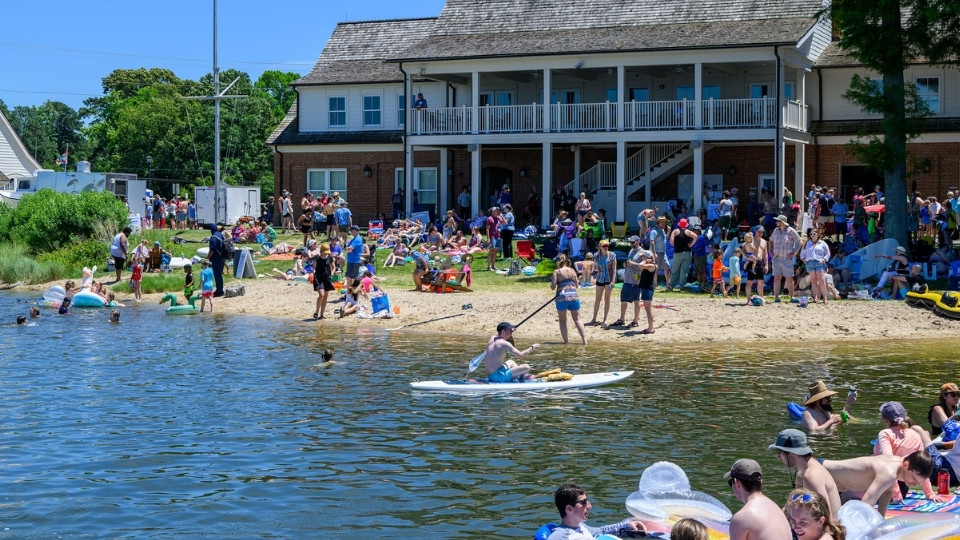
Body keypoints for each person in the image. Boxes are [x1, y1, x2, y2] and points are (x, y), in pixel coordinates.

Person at [822, 451, 933, 517]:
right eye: (913, 477)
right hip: (821, 473)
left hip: (830, 480)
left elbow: (887, 495)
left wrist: (880, 523)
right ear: (906, 464)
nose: (914, 483)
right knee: (833, 523)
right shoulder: (889, 473)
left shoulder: (896, 466)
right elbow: (866, 503)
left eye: (918, 481)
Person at [873, 401, 943, 504]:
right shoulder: (914, 434)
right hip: (903, 489)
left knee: (848, 490)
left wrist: (895, 495)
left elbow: (888, 465)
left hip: (886, 488)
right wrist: (930, 494)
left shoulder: (885, 434)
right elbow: (921, 465)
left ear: (885, 420)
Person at [769, 428, 842, 518]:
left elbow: (826, 517)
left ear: (791, 453)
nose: (778, 457)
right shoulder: (804, 472)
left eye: (780, 452)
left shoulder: (811, 476)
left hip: (831, 528)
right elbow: (790, 507)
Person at [546, 483, 646, 540]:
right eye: (583, 502)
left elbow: (600, 531)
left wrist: (626, 525)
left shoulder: (581, 527)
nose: (589, 506)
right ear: (569, 509)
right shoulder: (561, 536)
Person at [723, 459, 792, 540]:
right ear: (761, 481)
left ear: (737, 482)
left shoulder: (741, 518)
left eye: (731, 483)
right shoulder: (775, 508)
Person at [551, 254, 587, 345]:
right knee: (577, 319)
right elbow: (577, 285)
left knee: (563, 320)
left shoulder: (557, 272)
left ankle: (566, 342)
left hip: (562, 297)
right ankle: (584, 341)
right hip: (574, 296)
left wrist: (552, 284)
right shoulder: (572, 270)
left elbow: (553, 286)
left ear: (558, 262)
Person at [611, 236, 644, 328]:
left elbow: (644, 266)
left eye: (633, 242)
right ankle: (622, 319)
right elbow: (629, 262)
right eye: (630, 242)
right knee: (623, 299)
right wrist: (626, 264)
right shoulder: (631, 251)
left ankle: (635, 320)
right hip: (627, 279)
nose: (631, 244)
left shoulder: (642, 252)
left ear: (638, 242)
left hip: (636, 280)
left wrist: (634, 264)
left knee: (636, 300)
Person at [770, 215, 801, 301]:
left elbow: (800, 241)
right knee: (777, 277)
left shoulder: (791, 231)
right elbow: (771, 240)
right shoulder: (776, 231)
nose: (776, 222)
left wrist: (795, 253)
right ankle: (776, 297)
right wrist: (771, 251)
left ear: (782, 222)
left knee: (789, 278)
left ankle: (791, 297)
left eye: (778, 221)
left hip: (787, 258)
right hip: (776, 257)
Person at [588, 240, 617, 327]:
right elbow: (595, 268)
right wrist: (592, 277)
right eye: (604, 246)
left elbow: (614, 269)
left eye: (607, 246)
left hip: (609, 278)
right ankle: (594, 319)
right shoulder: (596, 256)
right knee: (597, 299)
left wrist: (614, 280)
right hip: (600, 278)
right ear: (600, 247)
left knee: (607, 299)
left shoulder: (612, 255)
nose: (606, 247)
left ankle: (605, 319)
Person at [801, 230, 831, 304]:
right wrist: (805, 261)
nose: (812, 235)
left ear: (818, 234)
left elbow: (827, 253)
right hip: (810, 262)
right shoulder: (807, 244)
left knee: (821, 280)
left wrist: (824, 259)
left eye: (814, 233)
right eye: (811, 234)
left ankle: (825, 297)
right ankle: (815, 297)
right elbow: (802, 254)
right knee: (813, 281)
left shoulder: (822, 243)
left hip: (819, 262)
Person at [668, 218, 698, 291]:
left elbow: (671, 242)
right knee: (684, 270)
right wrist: (691, 244)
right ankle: (682, 286)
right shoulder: (688, 232)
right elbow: (696, 237)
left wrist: (676, 245)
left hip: (677, 253)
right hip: (687, 252)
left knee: (675, 269)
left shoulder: (675, 231)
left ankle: (671, 285)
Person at [636, 249, 657, 334]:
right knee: (647, 309)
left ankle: (651, 328)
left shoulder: (651, 266)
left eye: (643, 256)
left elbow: (640, 265)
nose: (642, 258)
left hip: (648, 289)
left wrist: (646, 260)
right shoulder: (647, 265)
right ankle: (650, 327)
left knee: (648, 309)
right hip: (644, 287)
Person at [313, 243, 335, 320]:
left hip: (327, 278)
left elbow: (333, 267)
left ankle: (322, 314)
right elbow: (314, 268)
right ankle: (316, 312)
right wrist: (313, 274)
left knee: (325, 296)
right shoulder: (317, 257)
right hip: (318, 278)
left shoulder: (329, 257)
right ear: (321, 250)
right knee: (321, 295)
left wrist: (331, 274)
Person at [205, 224, 225, 298]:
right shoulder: (219, 234)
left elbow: (212, 251)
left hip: (216, 258)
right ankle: (220, 289)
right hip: (222, 256)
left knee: (217, 275)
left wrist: (207, 258)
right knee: (219, 274)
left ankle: (219, 291)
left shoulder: (213, 238)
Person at [344, 225, 364, 289]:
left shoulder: (358, 239)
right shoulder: (353, 239)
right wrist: (348, 249)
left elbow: (349, 249)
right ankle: (349, 292)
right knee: (348, 277)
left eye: (351, 231)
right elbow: (346, 248)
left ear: (354, 231)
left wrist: (348, 249)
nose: (350, 232)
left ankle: (353, 292)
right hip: (351, 261)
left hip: (355, 261)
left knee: (353, 278)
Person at [486, 206, 503, 271]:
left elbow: (505, 223)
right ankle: (488, 266)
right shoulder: (489, 219)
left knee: (495, 251)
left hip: (498, 236)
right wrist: (488, 238)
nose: (498, 212)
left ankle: (493, 265)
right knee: (491, 251)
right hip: (492, 237)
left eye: (498, 211)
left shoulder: (499, 218)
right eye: (496, 211)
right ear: (493, 212)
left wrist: (502, 216)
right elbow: (487, 229)